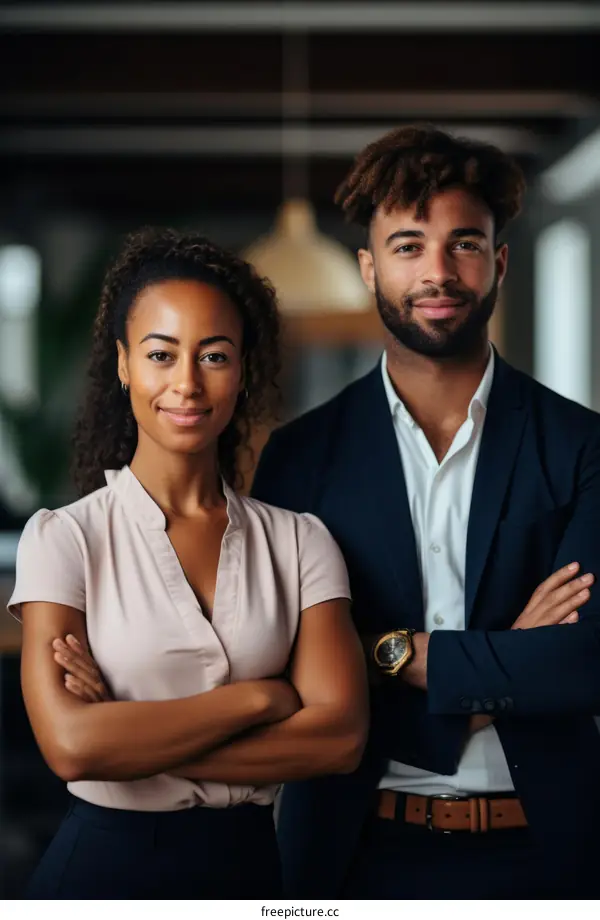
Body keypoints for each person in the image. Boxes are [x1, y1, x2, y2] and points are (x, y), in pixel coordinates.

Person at [247, 125, 600, 899]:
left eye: (463, 244)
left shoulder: (583, 446)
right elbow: (281, 674)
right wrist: (512, 658)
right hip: (352, 853)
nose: (437, 272)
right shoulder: (299, 457)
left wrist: (386, 653)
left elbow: (584, 662)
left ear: (498, 262)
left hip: (550, 855)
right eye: (408, 247)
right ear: (369, 268)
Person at [7, 227, 368, 899]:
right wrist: (260, 699)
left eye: (214, 356)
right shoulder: (64, 539)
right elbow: (72, 747)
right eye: (160, 354)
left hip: (250, 873)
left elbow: (339, 740)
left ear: (243, 370)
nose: (187, 384)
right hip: (100, 874)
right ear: (123, 364)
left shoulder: (300, 542)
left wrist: (128, 736)